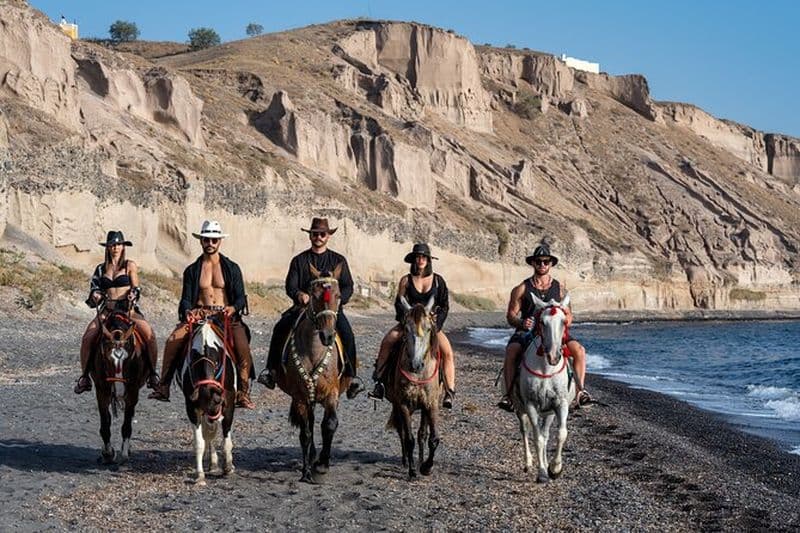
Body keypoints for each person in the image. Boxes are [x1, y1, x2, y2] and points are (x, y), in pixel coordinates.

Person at [148, 220, 255, 409]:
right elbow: (186, 299)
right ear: (201, 241)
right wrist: (189, 311)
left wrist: (233, 309)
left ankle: (243, 391)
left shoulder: (232, 268)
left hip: (226, 316)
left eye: (214, 240)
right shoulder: (192, 270)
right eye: (207, 239)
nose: (210, 244)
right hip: (200, 315)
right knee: (173, 339)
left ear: (220, 242)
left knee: (242, 346)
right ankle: (164, 385)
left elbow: (240, 298)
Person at [257, 217, 364, 398]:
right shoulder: (299, 260)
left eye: (322, 234)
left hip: (331, 311)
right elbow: (290, 286)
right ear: (310, 236)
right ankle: (272, 371)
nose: (319, 237)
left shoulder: (339, 261)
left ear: (328, 236)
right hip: (303, 309)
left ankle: (352, 377)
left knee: (347, 334)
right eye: (315, 234)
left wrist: (338, 301)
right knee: (280, 328)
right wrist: (300, 294)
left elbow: (348, 286)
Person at [497, 243, 590, 412]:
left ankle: (580, 392)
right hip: (529, 331)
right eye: (538, 261)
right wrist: (521, 323)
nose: (542, 265)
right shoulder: (522, 288)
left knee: (580, 351)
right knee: (512, 350)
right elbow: (511, 315)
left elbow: (570, 315)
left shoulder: (560, 289)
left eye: (546, 262)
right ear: (533, 263)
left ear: (551, 264)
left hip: (554, 332)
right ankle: (509, 395)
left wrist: (565, 321)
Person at [368, 243, 456, 409]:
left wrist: (437, 324)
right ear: (414, 260)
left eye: (424, 257)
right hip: (408, 325)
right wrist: (405, 319)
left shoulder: (438, 281)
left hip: (430, 327)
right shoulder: (405, 280)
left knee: (448, 353)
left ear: (428, 260)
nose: (421, 260)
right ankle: (379, 382)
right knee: (387, 342)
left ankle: (449, 391)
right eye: (418, 257)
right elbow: (399, 303)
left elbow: (444, 305)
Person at [74, 231, 159, 394]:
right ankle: (84, 376)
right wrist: (95, 294)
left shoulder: (129, 265)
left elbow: (136, 285)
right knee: (88, 337)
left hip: (128, 310)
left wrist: (134, 292)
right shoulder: (100, 268)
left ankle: (153, 374)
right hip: (108, 311)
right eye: (112, 245)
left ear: (123, 246)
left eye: (118, 244)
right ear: (108, 247)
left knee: (150, 335)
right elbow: (94, 288)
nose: (115, 248)